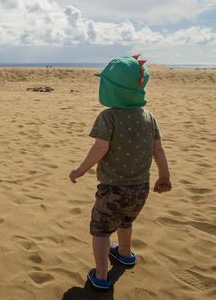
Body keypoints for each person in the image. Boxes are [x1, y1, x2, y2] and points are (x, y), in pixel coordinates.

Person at [69, 55, 172, 291]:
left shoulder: (109, 117)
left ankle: (102, 275)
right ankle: (124, 254)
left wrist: (80, 170)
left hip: (113, 188)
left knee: (102, 229)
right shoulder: (149, 117)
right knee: (126, 221)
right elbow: (159, 149)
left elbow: (100, 148)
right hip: (141, 188)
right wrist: (164, 176)